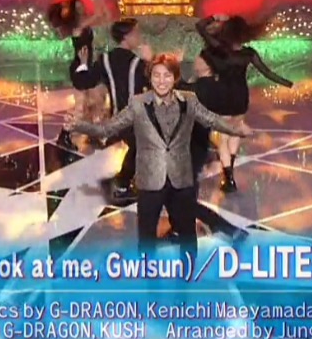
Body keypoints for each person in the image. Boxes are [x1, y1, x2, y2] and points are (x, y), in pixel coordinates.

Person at [67, 54, 251, 259]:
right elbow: (107, 129)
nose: (161, 81)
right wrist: (79, 126)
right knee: (147, 238)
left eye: (166, 76)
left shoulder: (188, 101)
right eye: (157, 75)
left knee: (188, 220)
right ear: (150, 78)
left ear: (174, 78)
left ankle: (193, 265)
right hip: (150, 181)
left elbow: (212, 120)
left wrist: (236, 130)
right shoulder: (138, 104)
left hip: (179, 177)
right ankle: (150, 272)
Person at [196, 15, 293, 193]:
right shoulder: (249, 54)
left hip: (222, 97)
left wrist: (214, 17)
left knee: (223, 139)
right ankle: (230, 170)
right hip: (240, 97)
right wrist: (288, 83)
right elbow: (267, 72)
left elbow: (200, 26)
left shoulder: (219, 50)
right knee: (236, 131)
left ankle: (228, 178)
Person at [177, 54, 248, 242]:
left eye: (201, 59)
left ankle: (226, 229)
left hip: (191, 147)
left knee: (180, 196)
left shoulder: (204, 88)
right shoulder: (208, 86)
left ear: (208, 66)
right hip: (194, 147)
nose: (196, 61)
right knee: (183, 194)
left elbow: (180, 89)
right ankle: (186, 227)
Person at [92, 18, 152, 199]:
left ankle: (118, 177)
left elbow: (93, 82)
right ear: (127, 36)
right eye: (136, 33)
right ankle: (123, 186)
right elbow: (155, 84)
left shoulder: (104, 60)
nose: (139, 36)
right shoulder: (138, 63)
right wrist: (151, 61)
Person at [47, 0, 107, 149]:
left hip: (88, 66)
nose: (82, 10)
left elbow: (99, 17)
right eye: (78, 8)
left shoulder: (83, 26)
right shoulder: (77, 27)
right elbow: (98, 15)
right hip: (80, 67)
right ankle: (65, 135)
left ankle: (92, 134)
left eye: (82, 7)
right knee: (81, 106)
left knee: (94, 103)